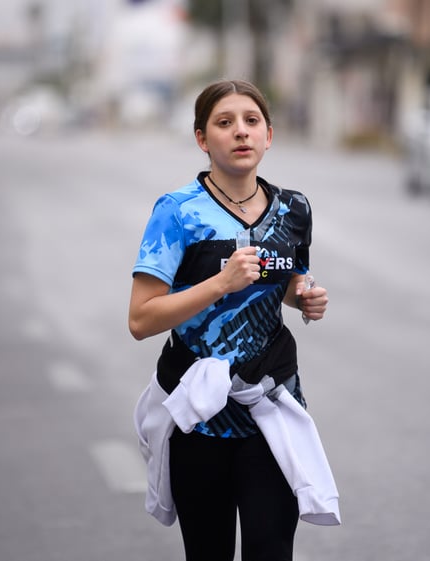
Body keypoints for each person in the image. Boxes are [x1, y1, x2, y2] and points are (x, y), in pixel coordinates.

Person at [129, 79, 338, 561]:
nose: (241, 133)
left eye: (252, 122)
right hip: (198, 417)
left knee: (271, 550)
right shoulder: (177, 212)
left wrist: (305, 297)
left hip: (269, 404)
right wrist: (219, 283)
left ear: (269, 134)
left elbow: (291, 278)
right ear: (202, 139)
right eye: (225, 123)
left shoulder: (293, 210)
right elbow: (140, 318)